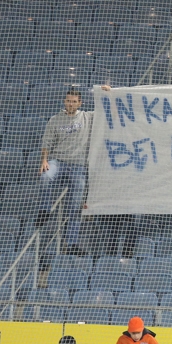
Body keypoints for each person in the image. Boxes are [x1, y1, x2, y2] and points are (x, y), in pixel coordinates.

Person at [39, 88, 106, 255]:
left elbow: (105, 108)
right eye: (68, 100)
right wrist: (44, 160)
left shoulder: (87, 117)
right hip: (58, 161)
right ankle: (45, 210)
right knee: (46, 176)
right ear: (64, 101)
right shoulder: (55, 120)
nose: (71, 103)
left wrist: (107, 92)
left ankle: (72, 243)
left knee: (75, 206)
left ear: (80, 103)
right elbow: (46, 142)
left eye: (74, 101)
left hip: (79, 166)